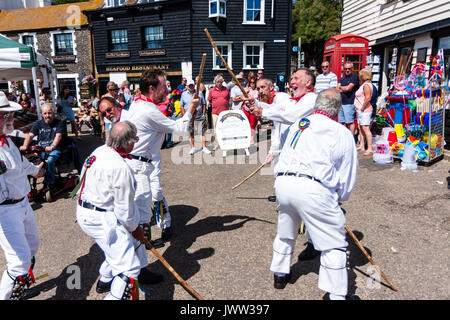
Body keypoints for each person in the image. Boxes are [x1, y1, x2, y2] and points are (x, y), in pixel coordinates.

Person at [269, 89, 358, 300]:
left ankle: (280, 274)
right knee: (334, 243)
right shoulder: (342, 132)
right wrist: (339, 198)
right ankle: (336, 296)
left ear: (316, 104)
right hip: (313, 189)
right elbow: (346, 175)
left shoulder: (300, 125)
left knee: (286, 229)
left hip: (283, 183)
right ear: (337, 110)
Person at [118, 69, 199, 278]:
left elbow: (166, 125)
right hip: (138, 169)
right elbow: (179, 129)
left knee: (132, 218)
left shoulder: (137, 103)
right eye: (164, 85)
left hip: (135, 165)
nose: (167, 88)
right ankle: (139, 270)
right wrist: (190, 109)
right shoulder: (147, 110)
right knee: (141, 219)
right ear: (152, 88)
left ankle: (114, 272)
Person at [76, 121, 144, 300]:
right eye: (134, 140)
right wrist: (136, 228)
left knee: (120, 247)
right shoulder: (120, 168)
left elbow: (81, 180)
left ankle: (105, 279)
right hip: (101, 219)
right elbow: (124, 211)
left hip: (86, 211)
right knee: (129, 268)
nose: (135, 143)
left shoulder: (98, 152)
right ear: (128, 142)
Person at [0, 91, 44, 300]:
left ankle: (21, 284)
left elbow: (20, 163)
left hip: (23, 203)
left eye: (10, 114)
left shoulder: (7, 141)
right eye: (4, 115)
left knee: (31, 247)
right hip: (5, 210)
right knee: (18, 261)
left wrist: (36, 170)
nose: (10, 118)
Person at [20, 103, 65, 193]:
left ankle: (50, 183)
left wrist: (52, 146)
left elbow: (58, 136)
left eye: (49, 113)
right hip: (40, 150)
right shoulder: (38, 124)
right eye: (45, 113)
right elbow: (30, 136)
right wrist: (25, 145)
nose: (47, 115)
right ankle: (28, 187)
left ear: (53, 113)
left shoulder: (59, 123)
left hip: (54, 150)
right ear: (41, 114)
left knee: (49, 160)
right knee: (28, 162)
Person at [180, 79, 210, 155]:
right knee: (191, 132)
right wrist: (184, 116)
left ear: (194, 85)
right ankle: (193, 148)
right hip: (189, 117)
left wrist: (204, 113)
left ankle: (204, 147)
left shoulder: (199, 93)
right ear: (187, 86)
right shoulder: (183, 94)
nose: (191, 86)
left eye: (192, 85)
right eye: (189, 85)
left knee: (202, 132)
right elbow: (181, 106)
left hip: (199, 115)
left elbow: (203, 104)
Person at [207, 74, 230, 156]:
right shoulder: (211, 91)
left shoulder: (226, 89)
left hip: (225, 113)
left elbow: (228, 98)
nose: (219, 83)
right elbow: (209, 100)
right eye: (217, 82)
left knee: (224, 128)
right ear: (215, 82)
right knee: (216, 129)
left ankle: (224, 143)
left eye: (220, 82)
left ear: (222, 82)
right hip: (215, 113)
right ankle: (217, 144)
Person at [354, 68, 374, 155]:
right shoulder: (365, 84)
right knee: (360, 127)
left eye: (360, 75)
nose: (359, 76)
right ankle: (362, 145)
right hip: (361, 110)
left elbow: (368, 98)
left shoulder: (366, 85)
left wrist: (362, 108)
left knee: (366, 128)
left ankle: (369, 148)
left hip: (365, 110)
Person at [336, 62, 359, 135]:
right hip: (341, 102)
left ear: (352, 69)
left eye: (349, 69)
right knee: (342, 122)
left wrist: (342, 88)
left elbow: (349, 88)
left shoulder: (354, 77)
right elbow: (337, 89)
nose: (347, 70)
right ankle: (343, 137)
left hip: (349, 102)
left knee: (350, 122)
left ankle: (351, 138)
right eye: (345, 69)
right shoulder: (343, 78)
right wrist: (343, 88)